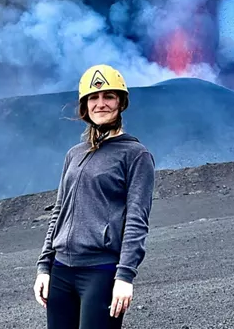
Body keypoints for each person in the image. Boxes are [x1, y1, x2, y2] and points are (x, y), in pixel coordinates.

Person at [33, 64, 156, 328]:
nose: (101, 104)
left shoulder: (135, 155)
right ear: (85, 106)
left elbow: (137, 219)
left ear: (120, 102)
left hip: (100, 273)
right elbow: (59, 211)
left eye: (108, 96)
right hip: (61, 271)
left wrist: (125, 276)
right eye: (93, 97)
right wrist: (44, 267)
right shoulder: (74, 154)